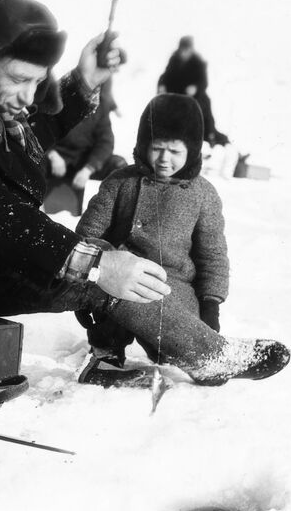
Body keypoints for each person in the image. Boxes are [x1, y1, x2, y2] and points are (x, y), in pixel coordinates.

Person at [0, 0, 289, 394]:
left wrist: (83, 82)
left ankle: (208, 355)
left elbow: (25, 144)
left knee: (113, 274)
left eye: (37, 81)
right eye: (18, 79)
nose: (29, 97)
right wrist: (91, 261)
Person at [75, 94, 230, 382]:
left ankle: (208, 358)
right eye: (157, 148)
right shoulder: (121, 182)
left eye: (175, 151)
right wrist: (94, 276)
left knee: (177, 346)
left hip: (173, 291)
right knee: (112, 299)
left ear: (192, 151)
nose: (164, 159)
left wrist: (211, 306)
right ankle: (105, 357)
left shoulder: (202, 194)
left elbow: (213, 255)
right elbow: (87, 235)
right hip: (119, 285)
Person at [44, 78, 127, 214]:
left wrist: (89, 168)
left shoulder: (100, 105)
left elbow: (106, 142)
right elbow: (39, 129)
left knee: (118, 165)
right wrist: (52, 155)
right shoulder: (59, 96)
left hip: (81, 160)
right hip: (54, 158)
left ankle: (108, 213)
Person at [158, 36, 229, 147]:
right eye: (182, 49)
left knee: (203, 109)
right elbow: (165, 75)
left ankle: (211, 136)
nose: (184, 53)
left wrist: (195, 87)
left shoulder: (199, 62)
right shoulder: (174, 59)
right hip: (176, 94)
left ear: (191, 49)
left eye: (187, 50)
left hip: (195, 96)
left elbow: (203, 82)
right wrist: (161, 85)